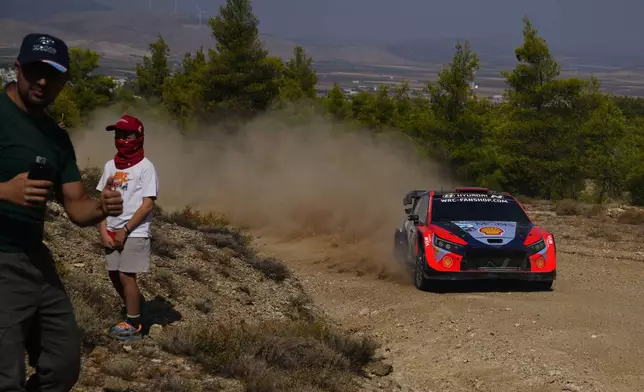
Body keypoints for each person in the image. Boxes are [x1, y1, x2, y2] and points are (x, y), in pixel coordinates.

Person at [0, 33, 124, 391]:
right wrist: (6, 191)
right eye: (36, 70)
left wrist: (101, 207)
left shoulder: (55, 138)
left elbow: (75, 206)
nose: (42, 81)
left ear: (64, 81)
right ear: (18, 68)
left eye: (52, 74)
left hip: (36, 261)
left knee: (63, 365)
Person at [96, 114, 158, 341]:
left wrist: (126, 230)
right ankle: (133, 309)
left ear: (138, 136)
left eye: (127, 135)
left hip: (135, 231)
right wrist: (103, 230)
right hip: (111, 229)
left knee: (126, 274)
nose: (121, 139)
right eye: (118, 135)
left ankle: (134, 324)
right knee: (114, 274)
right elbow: (102, 200)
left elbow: (147, 203)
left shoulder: (145, 167)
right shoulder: (109, 166)